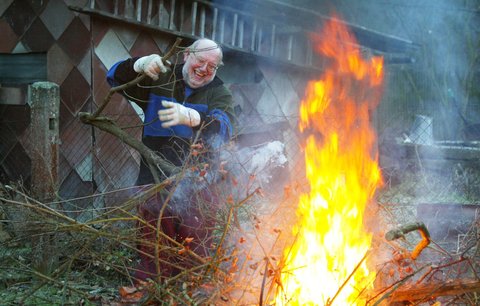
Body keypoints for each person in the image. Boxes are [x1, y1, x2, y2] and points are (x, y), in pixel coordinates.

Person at [107, 38, 235, 282]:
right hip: (153, 178)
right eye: (200, 60)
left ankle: (193, 290)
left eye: (212, 66)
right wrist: (138, 65)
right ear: (187, 55)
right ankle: (151, 291)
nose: (205, 69)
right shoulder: (161, 77)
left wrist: (194, 117)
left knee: (196, 245)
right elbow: (115, 78)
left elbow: (226, 127)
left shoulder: (219, 92)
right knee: (153, 244)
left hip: (200, 183)